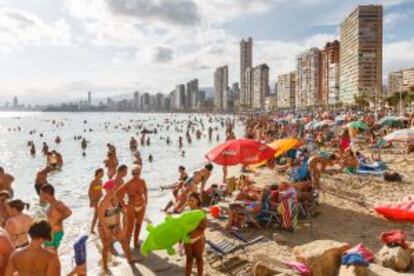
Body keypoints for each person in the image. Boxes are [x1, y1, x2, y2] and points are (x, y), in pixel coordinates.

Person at [98, 180, 134, 273]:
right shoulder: (103, 202)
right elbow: (101, 218)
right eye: (113, 188)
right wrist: (106, 230)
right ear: (109, 189)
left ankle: (130, 259)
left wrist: (121, 225)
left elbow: (120, 213)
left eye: (114, 188)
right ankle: (105, 267)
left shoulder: (115, 199)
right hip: (104, 227)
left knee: (124, 241)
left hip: (115, 225)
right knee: (106, 247)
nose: (114, 189)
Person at [117, 165, 147, 249]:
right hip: (131, 207)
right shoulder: (128, 183)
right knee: (130, 228)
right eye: (134, 173)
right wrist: (122, 204)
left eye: (137, 173)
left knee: (139, 225)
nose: (136, 175)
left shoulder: (142, 181)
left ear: (140, 173)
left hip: (141, 205)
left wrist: (146, 200)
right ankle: (127, 246)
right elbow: (117, 193)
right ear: (131, 174)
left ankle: (135, 242)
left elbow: (145, 189)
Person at [40, 184, 72, 252]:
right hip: (51, 234)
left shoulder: (57, 204)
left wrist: (59, 220)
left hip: (55, 234)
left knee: (50, 256)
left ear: (47, 194)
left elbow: (69, 212)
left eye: (42, 194)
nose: (41, 196)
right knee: (52, 256)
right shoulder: (50, 205)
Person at [184, 192, 207, 276]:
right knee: (189, 259)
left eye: (192, 201)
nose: (189, 202)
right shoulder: (186, 212)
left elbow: (204, 226)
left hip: (198, 239)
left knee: (199, 258)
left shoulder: (201, 212)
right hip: (187, 239)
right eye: (188, 200)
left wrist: (195, 224)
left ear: (197, 201)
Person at [88, 168, 104, 234]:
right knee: (96, 215)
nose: (102, 174)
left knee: (101, 214)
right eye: (101, 173)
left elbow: (100, 190)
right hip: (95, 200)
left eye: (103, 173)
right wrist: (91, 201)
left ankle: (100, 228)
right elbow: (89, 192)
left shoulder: (101, 181)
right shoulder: (93, 182)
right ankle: (91, 230)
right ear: (97, 173)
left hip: (100, 199)